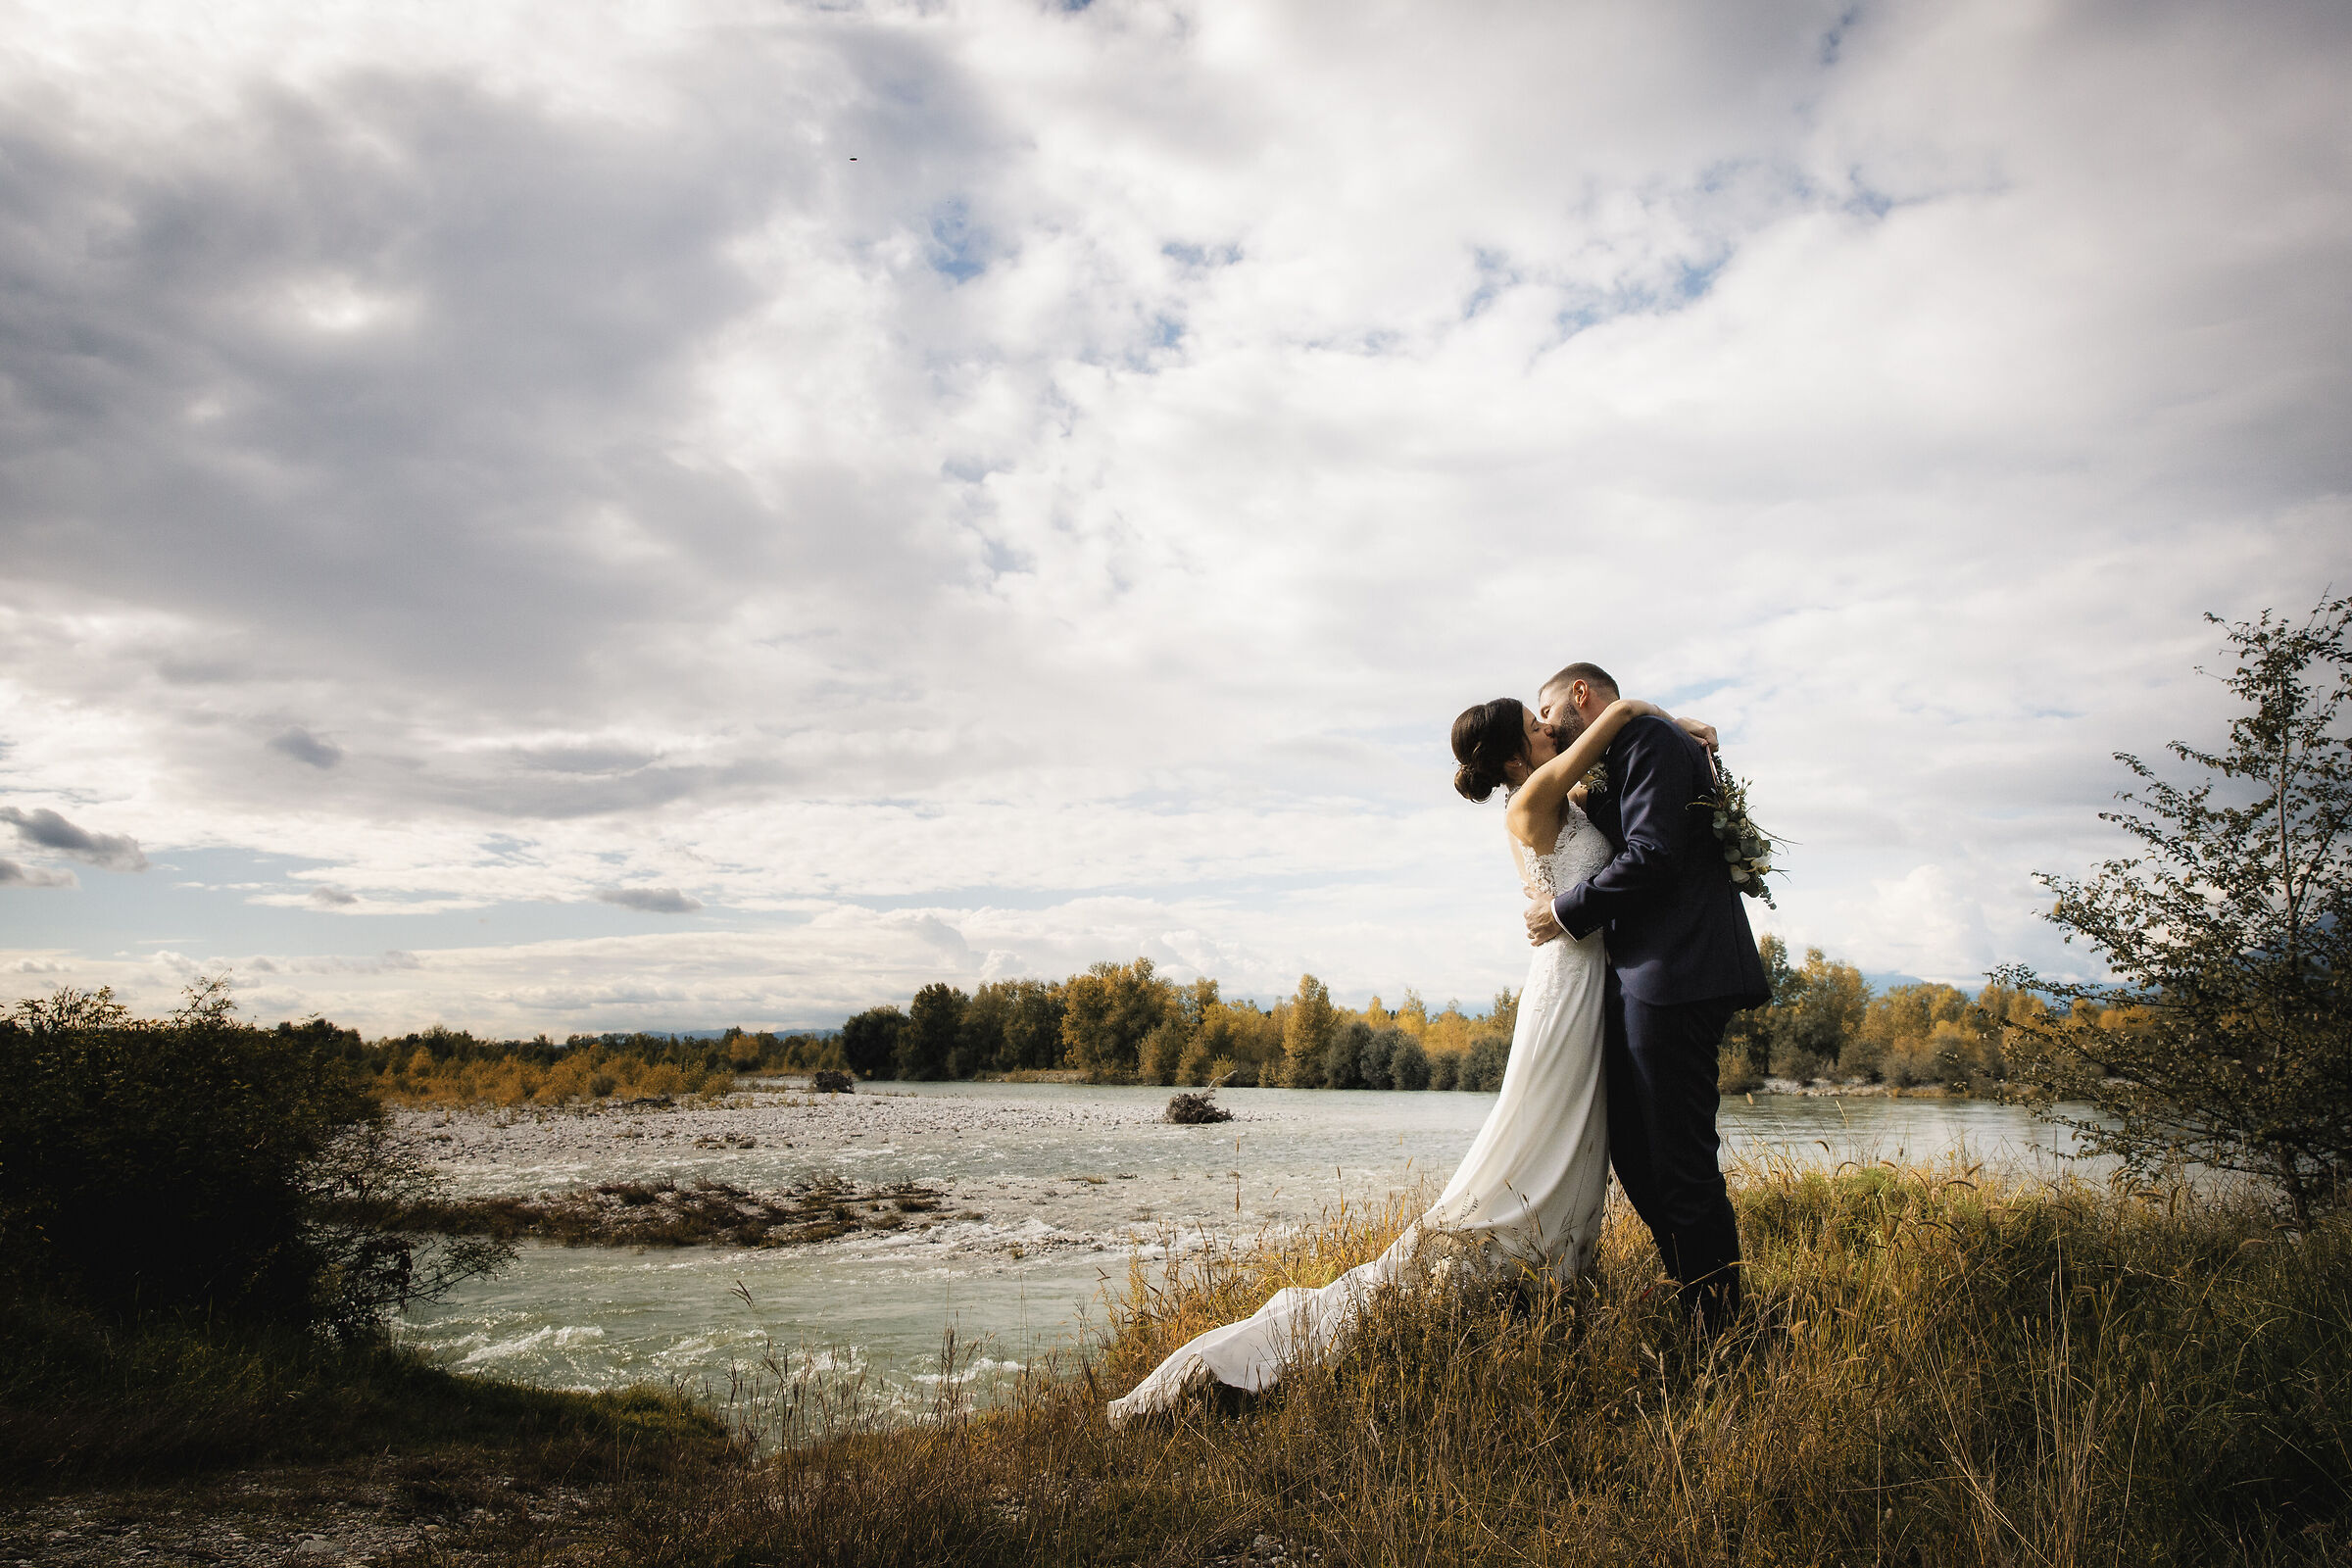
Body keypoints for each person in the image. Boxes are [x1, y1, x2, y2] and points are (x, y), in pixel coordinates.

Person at [1105, 690, 1713, 1426]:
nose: (1549, 728)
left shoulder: (1555, 791)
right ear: (1518, 755)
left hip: (1586, 982)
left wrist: (1680, 739)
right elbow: (1609, 730)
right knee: (1535, 1135)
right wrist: (1647, 710)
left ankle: (1554, 1284)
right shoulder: (1532, 800)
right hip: (1567, 985)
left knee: (1575, 1137)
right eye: (1534, 724)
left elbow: (1605, 781)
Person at [1526, 662, 1768, 1334]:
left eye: (1547, 712)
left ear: (1581, 695)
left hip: (1678, 974)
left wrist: (1566, 911)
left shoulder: (1653, 744)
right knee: (1634, 1149)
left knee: (1680, 1157)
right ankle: (1696, 1294)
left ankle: (1721, 1323)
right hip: (1639, 977)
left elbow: (1654, 854)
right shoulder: (1632, 746)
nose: (1545, 727)